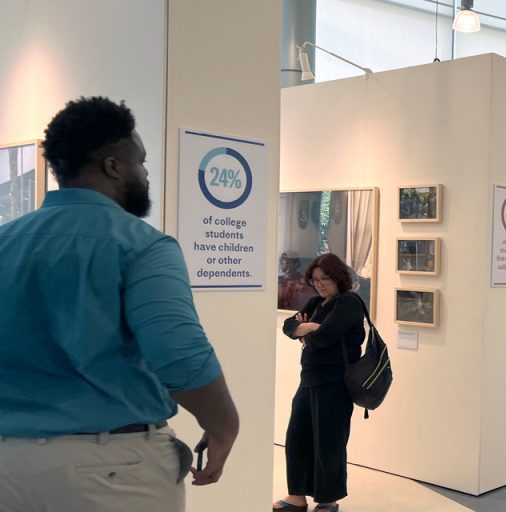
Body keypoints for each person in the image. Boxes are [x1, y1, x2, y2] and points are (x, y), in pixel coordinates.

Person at [0, 97, 239, 510]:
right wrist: (223, 426)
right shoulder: (143, 246)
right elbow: (178, 354)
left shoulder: (6, 242)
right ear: (113, 166)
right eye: (141, 161)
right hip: (111, 469)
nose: (146, 173)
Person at [277, 253, 366, 512]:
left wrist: (306, 331)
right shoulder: (316, 302)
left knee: (329, 442)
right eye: (315, 279)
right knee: (297, 437)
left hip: (335, 383)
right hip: (309, 380)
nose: (320, 284)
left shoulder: (349, 303)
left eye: (325, 278)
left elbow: (324, 338)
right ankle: (297, 496)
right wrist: (308, 328)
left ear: (339, 277)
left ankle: (328, 500)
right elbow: (287, 327)